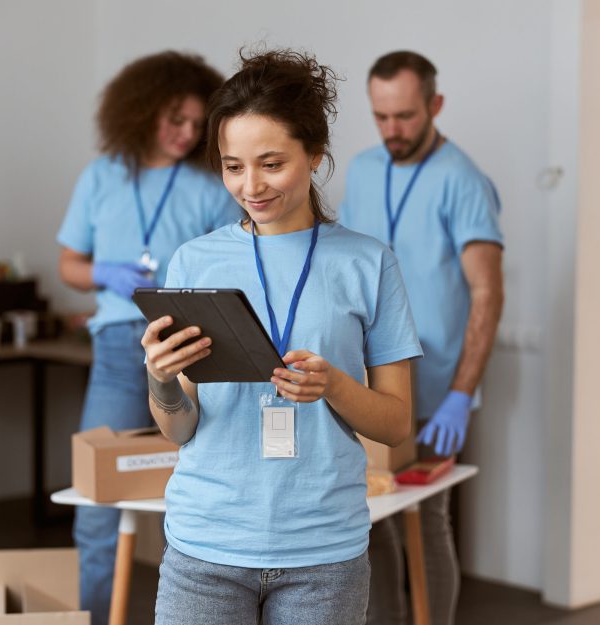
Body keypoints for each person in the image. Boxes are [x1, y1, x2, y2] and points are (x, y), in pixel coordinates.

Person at [142, 49, 423, 625]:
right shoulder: (194, 261)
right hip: (204, 548)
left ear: (316, 154)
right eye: (232, 166)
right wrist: (161, 379)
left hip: (324, 556)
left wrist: (335, 387)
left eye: (271, 163)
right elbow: (179, 427)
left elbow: (396, 425)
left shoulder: (368, 263)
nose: (251, 186)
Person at [55, 50, 238, 625]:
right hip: (114, 349)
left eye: (195, 124)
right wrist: (103, 274)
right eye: (173, 120)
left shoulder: (210, 185)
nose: (185, 135)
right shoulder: (102, 176)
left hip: (185, 345)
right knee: (95, 500)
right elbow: (69, 265)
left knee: (193, 493)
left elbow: (228, 266)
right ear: (140, 112)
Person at [339, 50, 505, 625]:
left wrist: (462, 395)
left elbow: (487, 293)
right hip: (372, 383)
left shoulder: (462, 179)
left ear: (434, 105)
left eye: (405, 116)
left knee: (427, 521)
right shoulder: (361, 169)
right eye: (381, 117)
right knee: (373, 519)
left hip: (436, 390)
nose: (392, 131)